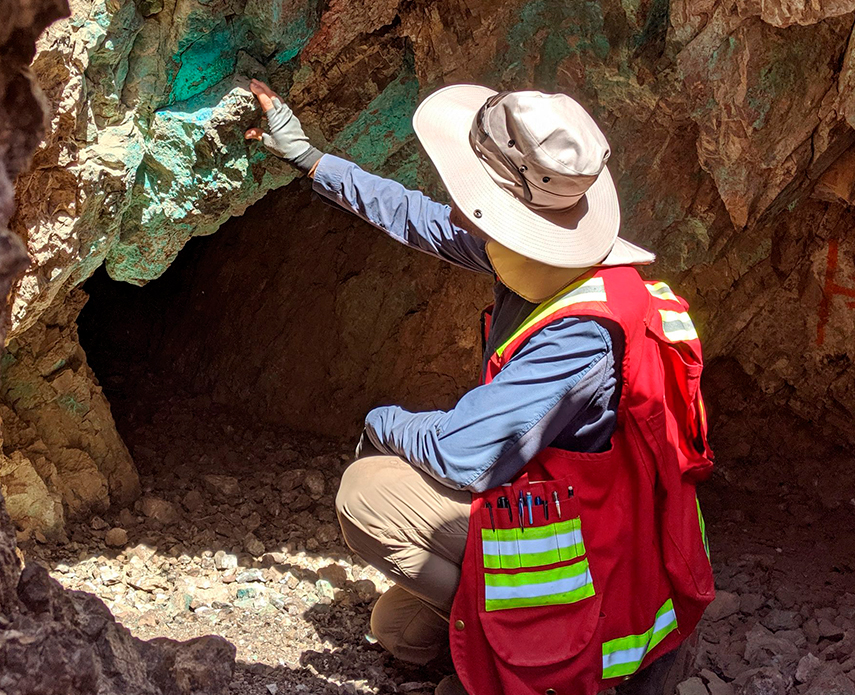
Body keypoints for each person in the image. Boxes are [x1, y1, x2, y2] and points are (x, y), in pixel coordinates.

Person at [245, 79, 715, 695]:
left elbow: (465, 455)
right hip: (600, 521)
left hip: (603, 573)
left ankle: (558, 667)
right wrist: (310, 159)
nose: (459, 204)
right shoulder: (563, 268)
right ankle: (515, 644)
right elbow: (417, 218)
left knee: (367, 494)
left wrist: (378, 424)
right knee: (401, 630)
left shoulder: (581, 336)